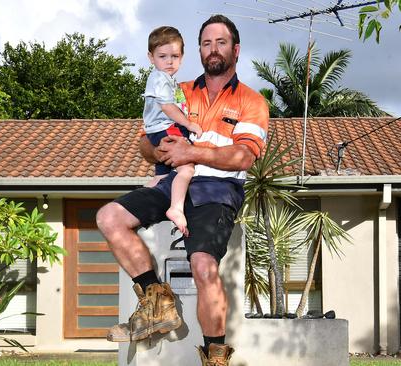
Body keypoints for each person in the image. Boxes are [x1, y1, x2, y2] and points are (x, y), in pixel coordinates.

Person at [96, 14, 268, 366]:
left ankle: (216, 357)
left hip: (217, 190)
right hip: (172, 180)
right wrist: (160, 152)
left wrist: (192, 152)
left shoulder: (252, 101)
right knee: (109, 217)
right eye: (206, 43)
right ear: (198, 51)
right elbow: (145, 142)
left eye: (220, 42)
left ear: (235, 49)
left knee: (203, 266)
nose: (213, 49)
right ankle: (157, 304)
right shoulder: (178, 90)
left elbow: (243, 156)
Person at [142, 26, 202, 236]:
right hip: (165, 128)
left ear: (182, 57)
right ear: (151, 57)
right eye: (163, 56)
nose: (169, 61)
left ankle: (144, 194)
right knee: (187, 167)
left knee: (164, 174)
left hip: (162, 129)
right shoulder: (159, 78)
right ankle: (176, 208)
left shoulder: (168, 80)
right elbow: (168, 107)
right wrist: (188, 124)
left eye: (175, 56)